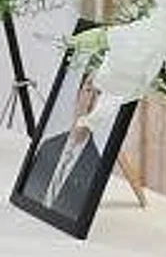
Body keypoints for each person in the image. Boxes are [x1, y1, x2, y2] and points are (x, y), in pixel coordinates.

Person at [21, 73, 107, 214]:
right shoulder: (47, 147)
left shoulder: (96, 167)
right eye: (89, 89)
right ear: (78, 95)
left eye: (99, 93)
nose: (91, 99)